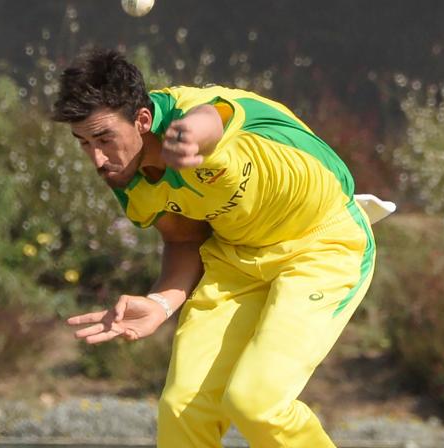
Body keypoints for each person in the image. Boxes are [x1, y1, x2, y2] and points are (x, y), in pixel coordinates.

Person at [54, 49, 378, 448]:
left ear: (142, 120)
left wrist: (190, 136)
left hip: (322, 244)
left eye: (104, 138)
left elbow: (212, 118)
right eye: (83, 142)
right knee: (181, 408)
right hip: (237, 259)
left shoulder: (193, 113)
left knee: (257, 404)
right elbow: (184, 238)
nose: (97, 158)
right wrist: (160, 303)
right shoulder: (131, 179)